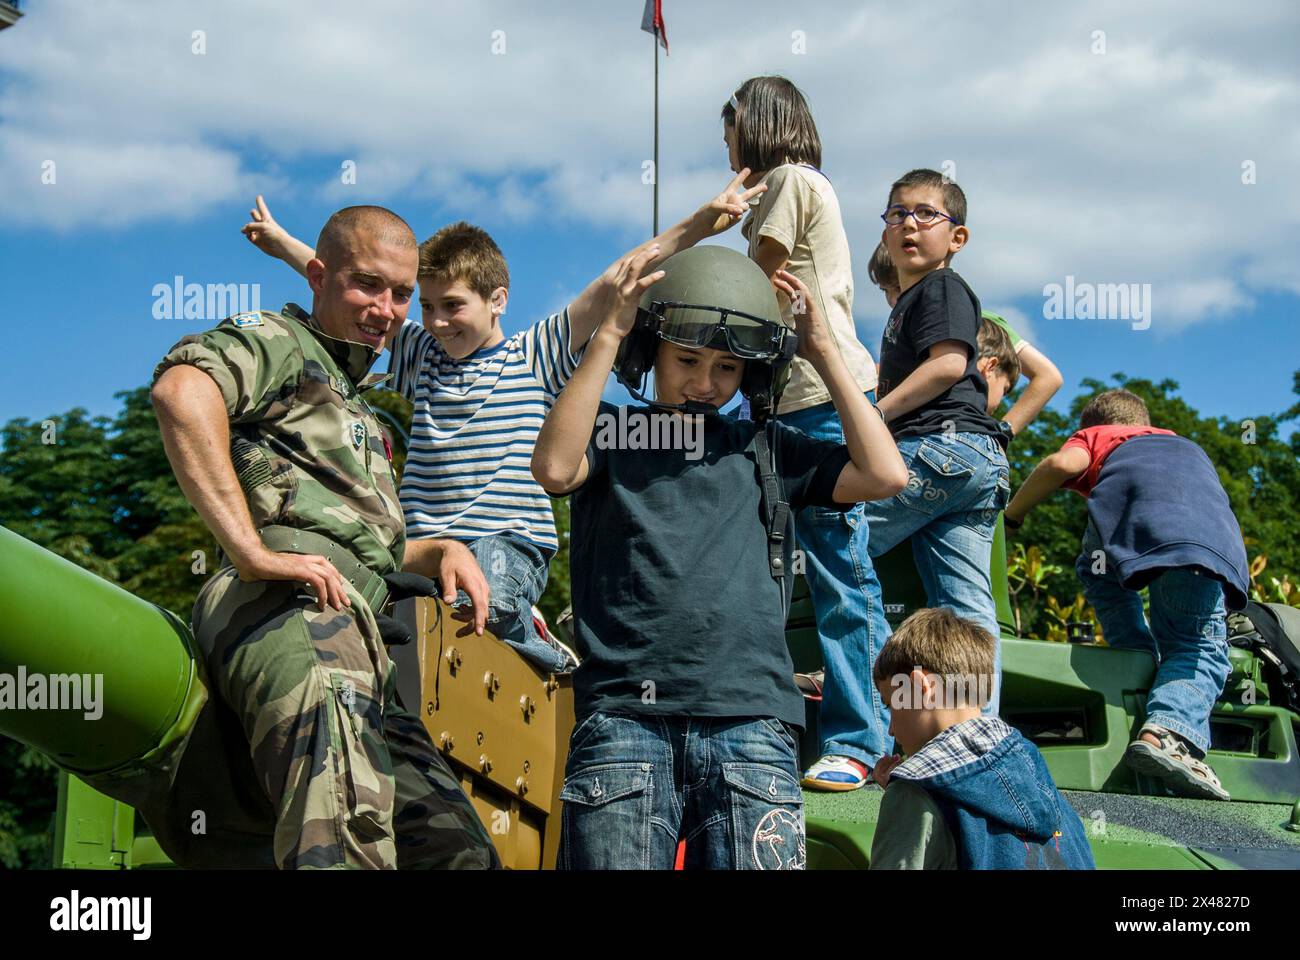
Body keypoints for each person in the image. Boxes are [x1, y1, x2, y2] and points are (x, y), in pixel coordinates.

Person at [241, 175, 764, 672]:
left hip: (503, 539)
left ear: (497, 301)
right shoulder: (424, 356)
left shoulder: (533, 354)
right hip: (423, 546)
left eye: (452, 306)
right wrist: (283, 242)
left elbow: (614, 281)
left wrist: (697, 224)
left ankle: (536, 639)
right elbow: (348, 280)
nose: (437, 322)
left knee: (484, 600)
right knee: (377, 622)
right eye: (425, 306)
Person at [531, 245, 906, 869]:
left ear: (752, 375)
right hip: (627, 718)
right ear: (652, 352)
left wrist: (822, 352)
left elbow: (885, 473)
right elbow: (553, 467)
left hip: (752, 723)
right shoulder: (614, 432)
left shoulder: (767, 448)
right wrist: (614, 330)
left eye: (728, 368)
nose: (705, 384)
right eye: (686, 360)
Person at [151, 206, 498, 868]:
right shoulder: (283, 341)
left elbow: (367, 543)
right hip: (292, 610)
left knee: (456, 850)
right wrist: (251, 551)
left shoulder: (355, 403)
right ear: (317, 275)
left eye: (400, 294)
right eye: (367, 285)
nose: (386, 308)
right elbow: (183, 392)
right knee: (342, 833)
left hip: (362, 634)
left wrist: (442, 549)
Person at [723, 75, 891, 791]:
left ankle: (862, 738)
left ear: (756, 127)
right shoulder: (789, 190)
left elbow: (747, 285)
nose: (726, 145)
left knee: (838, 571)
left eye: (731, 130)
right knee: (780, 570)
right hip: (784, 401)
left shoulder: (791, 179)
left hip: (819, 395)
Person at [1003, 389, 1248, 800]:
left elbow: (1061, 464)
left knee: (1098, 570)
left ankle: (1152, 700)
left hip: (1130, 534)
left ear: (1094, 425)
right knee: (1195, 644)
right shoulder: (1181, 445)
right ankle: (1165, 720)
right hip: (1202, 543)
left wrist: (1012, 515)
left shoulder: (1101, 437)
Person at [864, 168, 1011, 713]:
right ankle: (978, 730)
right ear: (884, 234)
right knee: (968, 605)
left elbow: (948, 364)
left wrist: (874, 413)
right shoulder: (910, 300)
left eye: (927, 214)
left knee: (839, 544)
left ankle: (869, 710)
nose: (909, 223)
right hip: (978, 463)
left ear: (957, 238)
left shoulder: (941, 287)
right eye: (897, 213)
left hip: (939, 449)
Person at [867, 608, 1095, 869]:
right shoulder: (1056, 804)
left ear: (920, 687)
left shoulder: (913, 795)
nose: (891, 730)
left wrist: (908, 798)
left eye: (890, 705)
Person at [870, 241, 1063, 434]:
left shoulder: (973, 319)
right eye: (885, 290)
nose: (893, 299)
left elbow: (1048, 376)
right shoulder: (900, 329)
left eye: (898, 286)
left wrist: (1004, 430)